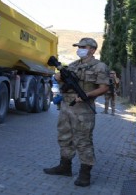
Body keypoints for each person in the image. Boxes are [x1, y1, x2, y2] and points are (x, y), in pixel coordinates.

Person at [43, 37, 110, 187]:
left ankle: (85, 174)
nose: (79, 49)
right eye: (78, 46)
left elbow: (104, 87)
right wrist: (59, 77)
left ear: (92, 50)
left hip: (84, 110)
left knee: (83, 140)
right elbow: (60, 79)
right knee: (64, 136)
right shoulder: (73, 65)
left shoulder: (99, 67)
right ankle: (64, 166)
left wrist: (87, 95)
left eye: (83, 47)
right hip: (67, 107)